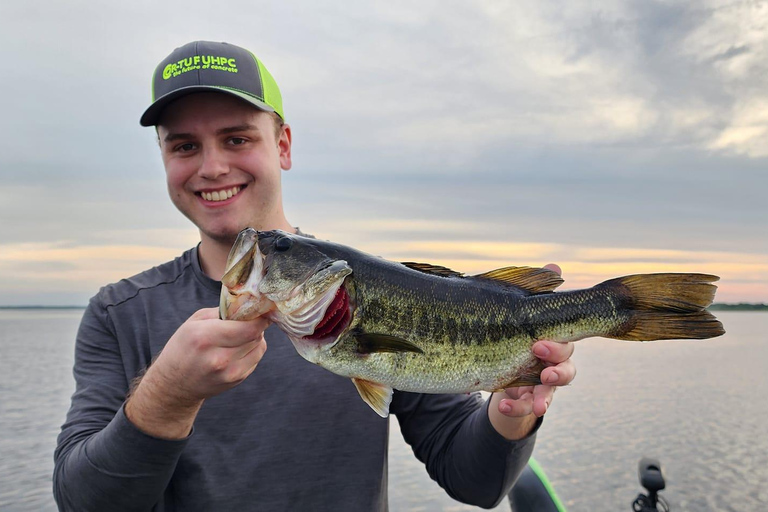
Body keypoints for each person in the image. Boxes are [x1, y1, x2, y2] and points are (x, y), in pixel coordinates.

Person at [53, 41, 576, 511]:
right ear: (163, 156)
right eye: (184, 145)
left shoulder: (381, 294)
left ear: (282, 145)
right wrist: (167, 395)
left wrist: (512, 412)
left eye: (236, 139)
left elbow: (476, 484)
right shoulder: (118, 312)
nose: (211, 167)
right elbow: (83, 500)